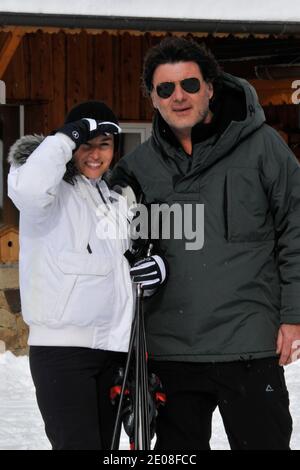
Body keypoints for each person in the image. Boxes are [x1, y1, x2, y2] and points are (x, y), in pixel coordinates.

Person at [111, 37, 300, 450]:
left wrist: (293, 314)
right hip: (169, 352)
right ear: (153, 99)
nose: (179, 96)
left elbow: (296, 227)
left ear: (210, 87)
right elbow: (102, 233)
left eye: (190, 85)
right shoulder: (136, 169)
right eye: (166, 89)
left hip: (250, 345)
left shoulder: (263, 147)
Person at [7, 100, 165, 450]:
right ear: (70, 146)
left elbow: (129, 260)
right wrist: (67, 135)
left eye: (104, 145)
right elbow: (30, 188)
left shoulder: (113, 199)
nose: (95, 154)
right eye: (86, 144)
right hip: (63, 352)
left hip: (111, 350)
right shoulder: (49, 194)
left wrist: (155, 268)